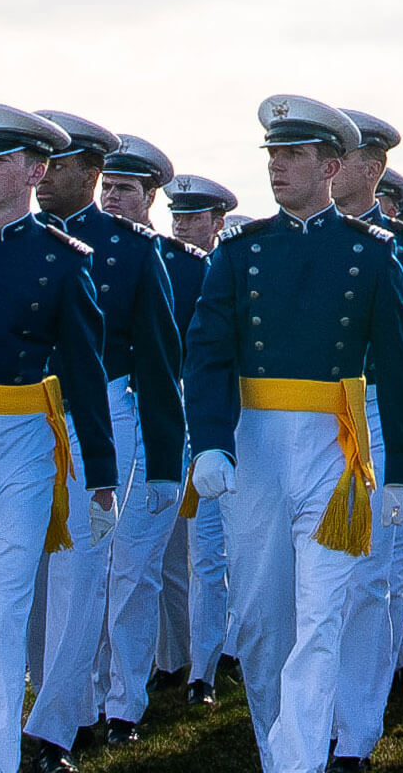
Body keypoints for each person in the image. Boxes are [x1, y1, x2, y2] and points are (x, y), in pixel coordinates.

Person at [182, 94, 403, 773]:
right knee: (259, 623)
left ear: (332, 166)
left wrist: (401, 468)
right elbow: (208, 352)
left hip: (333, 450)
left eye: (295, 155)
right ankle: (276, 748)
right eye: (274, 155)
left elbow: (400, 368)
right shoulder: (240, 252)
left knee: (321, 619)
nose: (279, 167)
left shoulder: (373, 256)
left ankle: (300, 762)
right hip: (254, 447)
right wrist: (209, 441)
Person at [25, 111, 184, 768]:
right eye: (40, 163)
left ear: (91, 173)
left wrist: (165, 465)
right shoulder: (8, 238)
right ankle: (49, 700)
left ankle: (54, 728)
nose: (43, 178)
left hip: (104, 419)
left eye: (59, 166)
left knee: (81, 574)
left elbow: (158, 360)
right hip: (14, 416)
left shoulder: (134, 250)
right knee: (22, 581)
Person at [0, 103, 115, 773]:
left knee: (1, 622)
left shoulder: (62, 261)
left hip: (25, 450)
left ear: (36, 170)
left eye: (0, 160)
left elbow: (87, 375)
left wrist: (103, 478)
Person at [326, 108, 403, 772]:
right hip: (309, 417)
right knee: (313, 584)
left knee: (371, 582)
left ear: (373, 169)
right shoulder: (294, 239)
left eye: (345, 156)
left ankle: (355, 736)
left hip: (374, 414)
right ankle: (315, 714)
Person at [94, 135, 197, 734]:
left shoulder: (172, 262)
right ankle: (83, 691)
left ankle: (124, 700)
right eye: (107, 185)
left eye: (124, 188)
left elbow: (171, 361)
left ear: (151, 196)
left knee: (134, 570)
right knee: (85, 569)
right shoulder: (72, 248)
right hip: (74, 418)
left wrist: (168, 455)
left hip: (142, 414)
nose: (111, 196)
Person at [160, 175, 240, 707]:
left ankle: (230, 648)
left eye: (194, 218)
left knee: (240, 549)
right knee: (201, 552)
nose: (184, 226)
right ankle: (199, 668)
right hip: (189, 419)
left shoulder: (235, 269)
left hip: (237, 422)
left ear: (217, 221)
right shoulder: (171, 268)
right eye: (179, 217)